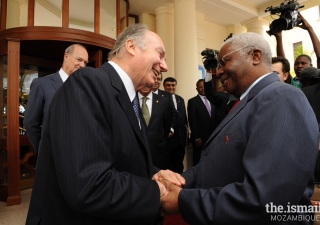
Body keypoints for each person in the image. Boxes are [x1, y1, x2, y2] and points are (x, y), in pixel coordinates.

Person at [26, 23, 185, 225]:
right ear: (131, 46)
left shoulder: (129, 98)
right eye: (160, 54)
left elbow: (121, 157)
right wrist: (156, 192)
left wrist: (155, 174)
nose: (165, 66)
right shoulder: (88, 83)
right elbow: (88, 185)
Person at [158, 32, 318, 224]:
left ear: (255, 56)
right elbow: (216, 161)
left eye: (224, 62)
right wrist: (176, 179)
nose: (219, 71)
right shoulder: (247, 102)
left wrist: (183, 200)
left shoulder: (282, 97)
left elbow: (266, 199)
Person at [24, 44, 89, 156]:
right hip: (53, 159)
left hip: (81, 158)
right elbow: (30, 123)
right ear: (66, 57)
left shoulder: (86, 88)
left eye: (85, 62)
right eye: (79, 59)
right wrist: (44, 152)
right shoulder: (42, 84)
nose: (82, 65)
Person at [274, 11, 320, 87]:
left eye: (303, 63)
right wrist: (279, 37)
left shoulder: (317, 80)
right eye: (296, 64)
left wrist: (309, 28)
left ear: (311, 65)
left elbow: (319, 56)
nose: (299, 66)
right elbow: (282, 63)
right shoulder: (293, 84)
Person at [138, 86, 175, 169]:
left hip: (158, 150)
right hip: (137, 150)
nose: (145, 85)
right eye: (143, 82)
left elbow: (167, 124)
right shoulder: (131, 100)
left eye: (148, 83)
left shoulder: (163, 101)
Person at [187, 79, 219, 166]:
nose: (203, 88)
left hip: (213, 136)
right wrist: (197, 137)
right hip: (200, 138)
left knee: (212, 160)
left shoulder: (213, 101)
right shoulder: (192, 102)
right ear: (197, 89)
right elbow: (192, 120)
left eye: (204, 86)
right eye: (200, 87)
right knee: (199, 160)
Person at [163, 77, 188, 173]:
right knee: (168, 165)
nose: (171, 87)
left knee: (179, 165)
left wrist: (186, 136)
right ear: (164, 86)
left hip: (180, 139)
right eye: (168, 85)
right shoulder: (161, 98)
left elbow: (184, 118)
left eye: (173, 85)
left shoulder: (180, 99)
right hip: (168, 139)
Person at [152, 72, 177, 139]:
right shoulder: (142, 93)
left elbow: (173, 113)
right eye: (154, 78)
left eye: (159, 79)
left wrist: (171, 129)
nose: (156, 81)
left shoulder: (167, 95)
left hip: (164, 135)